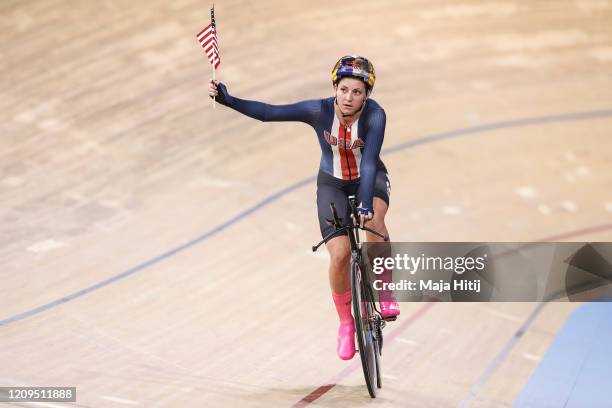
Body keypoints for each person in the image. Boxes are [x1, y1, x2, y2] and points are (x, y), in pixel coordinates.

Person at [208, 55, 399, 360]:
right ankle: (346, 323)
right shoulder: (318, 110)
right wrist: (229, 100)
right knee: (339, 256)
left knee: (374, 219)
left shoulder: (376, 116)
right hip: (332, 183)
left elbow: (372, 160)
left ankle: (385, 289)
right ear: (335, 88)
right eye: (344, 90)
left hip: (370, 177)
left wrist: (364, 205)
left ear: (367, 96)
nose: (349, 98)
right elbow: (270, 113)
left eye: (357, 92)